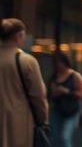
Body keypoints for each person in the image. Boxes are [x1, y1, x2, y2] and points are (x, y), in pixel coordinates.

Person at [1, 18, 48, 147]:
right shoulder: (26, 61)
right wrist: (42, 119)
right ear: (19, 36)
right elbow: (38, 96)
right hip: (19, 122)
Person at [48, 51, 82, 147]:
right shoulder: (55, 76)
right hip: (57, 109)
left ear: (65, 62)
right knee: (55, 137)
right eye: (55, 63)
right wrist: (54, 92)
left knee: (65, 137)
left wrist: (67, 92)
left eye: (59, 63)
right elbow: (48, 93)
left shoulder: (75, 76)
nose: (57, 66)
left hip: (71, 110)